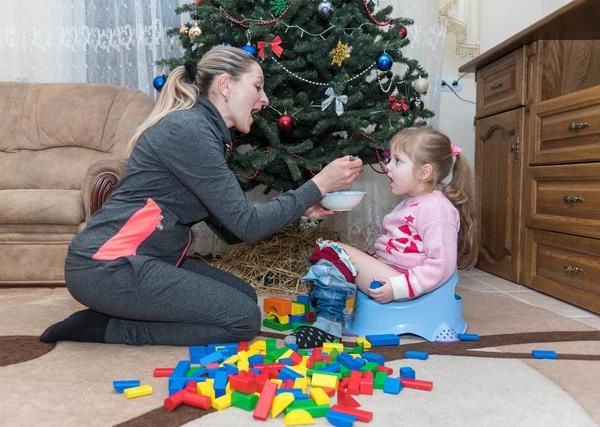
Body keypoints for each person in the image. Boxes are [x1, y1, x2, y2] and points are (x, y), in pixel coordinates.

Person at [40, 46, 363, 346]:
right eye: (257, 86)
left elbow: (233, 230)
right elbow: (247, 225)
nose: (265, 99)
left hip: (147, 260)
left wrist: (304, 208)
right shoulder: (189, 131)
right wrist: (318, 184)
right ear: (225, 85)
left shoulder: (204, 132)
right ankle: (110, 327)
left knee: (243, 296)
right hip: (108, 265)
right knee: (242, 320)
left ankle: (119, 311)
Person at [286, 127, 478, 349]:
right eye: (390, 159)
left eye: (397, 161)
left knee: (334, 250)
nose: (387, 167)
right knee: (337, 255)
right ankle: (327, 313)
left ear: (423, 172)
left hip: (403, 280)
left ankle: (328, 326)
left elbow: (442, 265)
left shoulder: (436, 208)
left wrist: (400, 287)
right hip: (394, 271)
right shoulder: (415, 201)